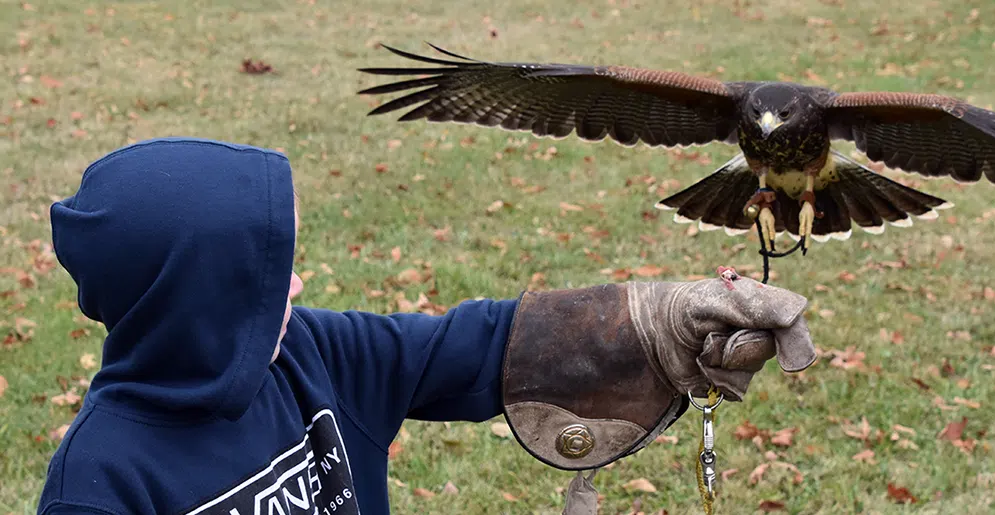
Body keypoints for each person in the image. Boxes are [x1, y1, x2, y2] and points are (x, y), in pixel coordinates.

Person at [37, 137, 817, 514]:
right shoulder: (99, 484)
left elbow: (472, 349)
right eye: (267, 275)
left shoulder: (309, 355)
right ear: (192, 296)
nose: (298, 284)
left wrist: (655, 322)